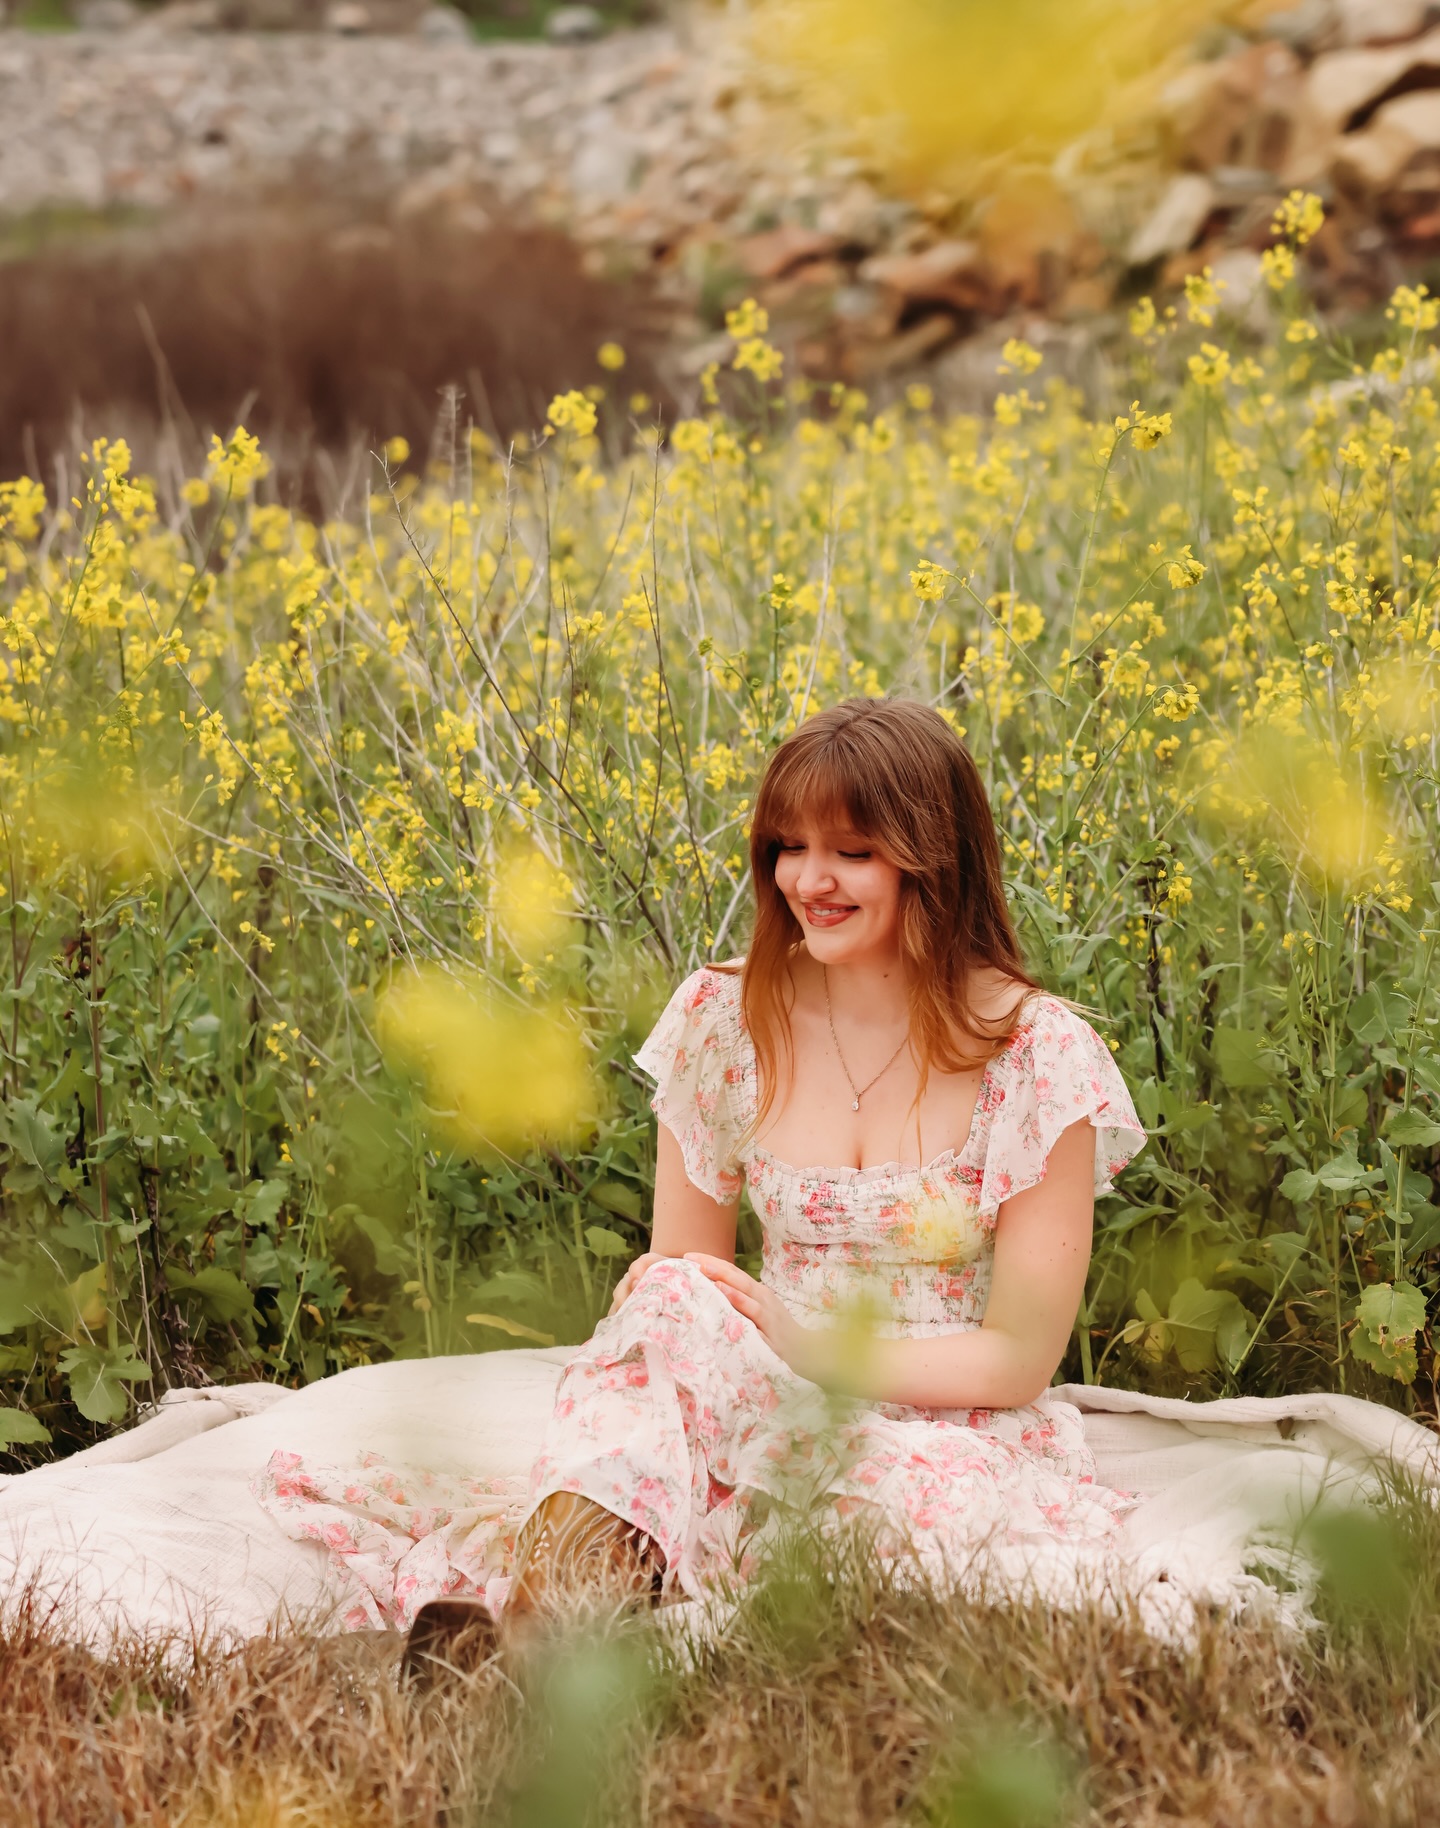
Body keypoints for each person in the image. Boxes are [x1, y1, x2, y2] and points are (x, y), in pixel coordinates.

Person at [402, 696, 1145, 1679]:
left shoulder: (1036, 1054)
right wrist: (699, 1314)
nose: (809, 879)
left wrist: (815, 1348)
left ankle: (560, 1638)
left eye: (852, 851)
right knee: (669, 1297)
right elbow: (693, 1278)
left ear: (934, 856)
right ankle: (535, 1635)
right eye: (789, 846)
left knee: (847, 1517)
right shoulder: (724, 1017)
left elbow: (1017, 1357)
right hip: (751, 1384)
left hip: (937, 1412)